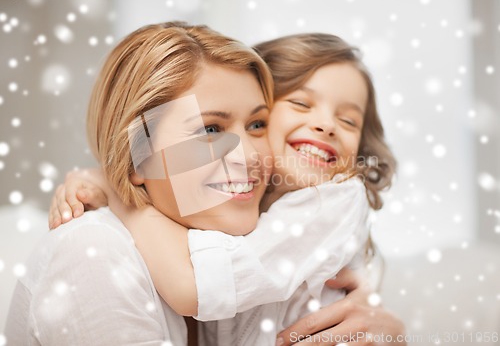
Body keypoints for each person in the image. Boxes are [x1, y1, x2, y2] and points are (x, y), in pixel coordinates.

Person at [47, 29, 405, 345]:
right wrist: (116, 180)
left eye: (256, 124)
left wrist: (116, 190)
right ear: (138, 155)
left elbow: (194, 288)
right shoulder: (95, 249)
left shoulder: (329, 200)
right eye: (211, 130)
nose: (247, 155)